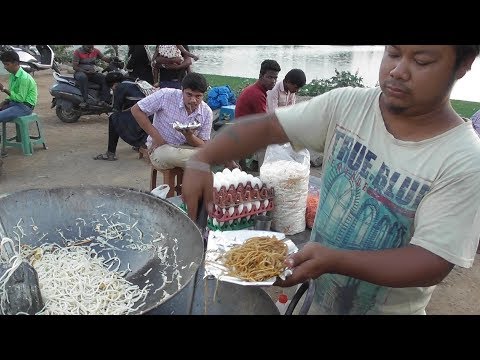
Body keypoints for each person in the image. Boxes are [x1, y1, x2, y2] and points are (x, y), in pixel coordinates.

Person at [181, 45, 480, 315]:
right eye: (393, 52)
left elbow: (432, 262)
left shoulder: (463, 159)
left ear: (464, 63)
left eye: (422, 60)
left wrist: (335, 261)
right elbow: (268, 128)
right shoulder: (347, 105)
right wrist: (202, 158)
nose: (399, 70)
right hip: (317, 300)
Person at [130, 72, 212, 170]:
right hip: (162, 148)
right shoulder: (166, 95)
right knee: (168, 154)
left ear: (203, 95)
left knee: (199, 156)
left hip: (187, 149)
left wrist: (189, 136)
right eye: (189, 94)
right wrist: (157, 138)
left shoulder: (206, 112)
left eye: (198, 96)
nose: (193, 100)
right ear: (182, 90)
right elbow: (136, 110)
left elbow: (203, 144)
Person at [93, 72, 154, 161]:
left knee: (113, 118)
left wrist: (106, 107)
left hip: (144, 117)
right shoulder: (138, 81)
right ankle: (141, 144)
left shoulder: (120, 87)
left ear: (114, 84)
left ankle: (110, 153)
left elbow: (116, 109)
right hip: (153, 117)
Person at [235, 59, 281, 170]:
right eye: (270, 77)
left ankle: (251, 165)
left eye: (275, 78)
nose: (273, 81)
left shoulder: (256, 90)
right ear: (261, 76)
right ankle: (263, 171)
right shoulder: (257, 94)